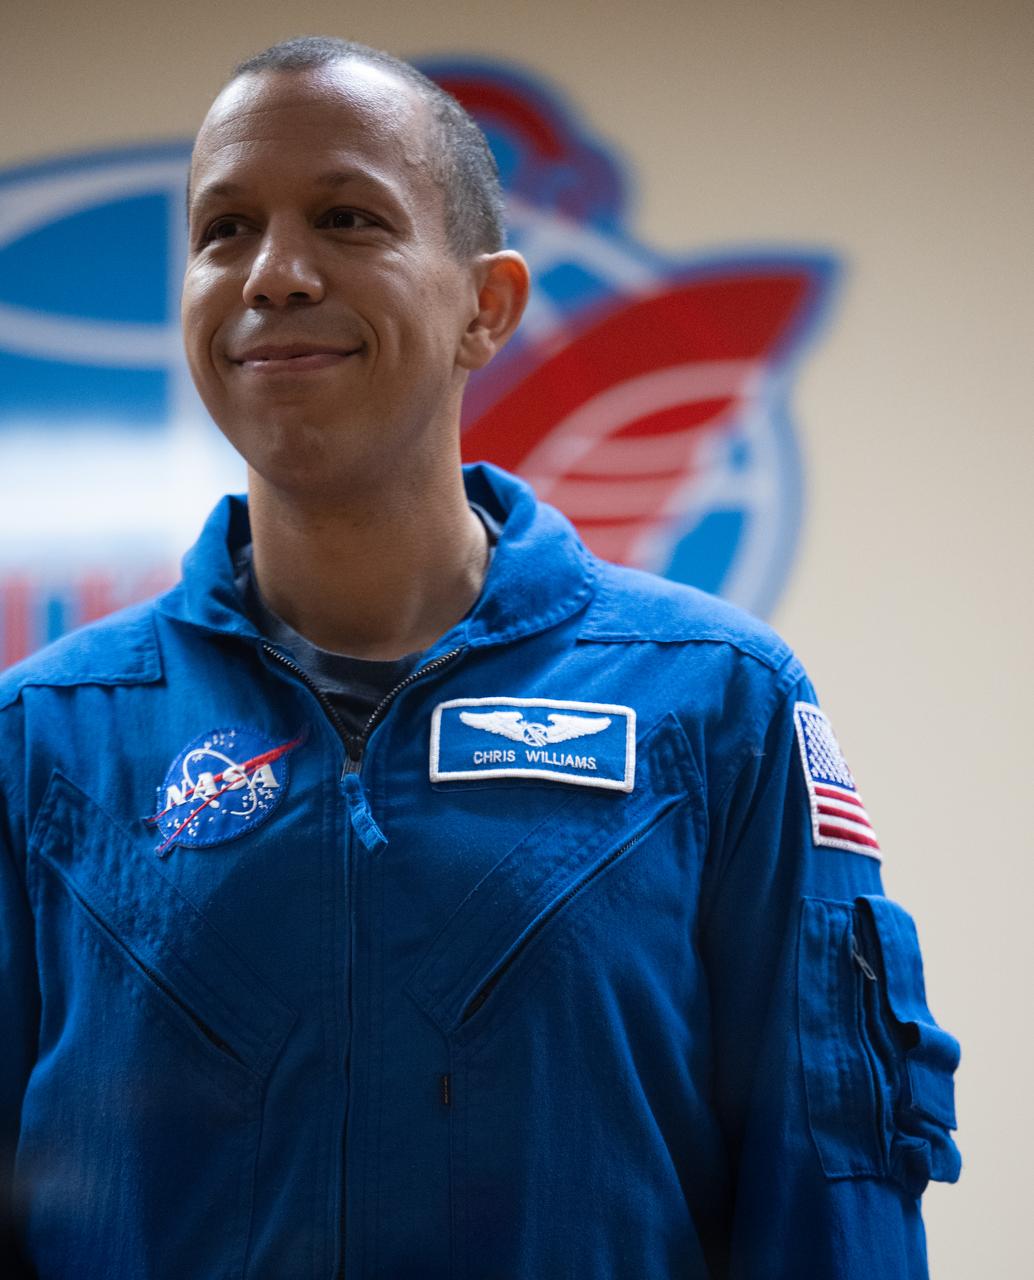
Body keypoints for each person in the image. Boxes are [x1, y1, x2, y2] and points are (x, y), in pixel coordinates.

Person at [0, 36, 961, 1280]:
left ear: (485, 306)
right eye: (224, 230)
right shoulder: (48, 736)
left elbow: (826, 1199)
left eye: (346, 218)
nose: (274, 273)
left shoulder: (714, 699)